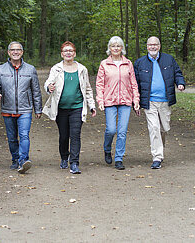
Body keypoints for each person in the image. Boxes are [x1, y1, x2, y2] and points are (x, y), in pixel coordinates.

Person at [42, 41, 96, 174]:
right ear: (62, 54)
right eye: (65, 51)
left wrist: (92, 106)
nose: (68, 53)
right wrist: (49, 87)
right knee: (64, 136)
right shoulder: (56, 69)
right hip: (60, 108)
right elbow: (48, 82)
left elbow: (87, 89)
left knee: (75, 135)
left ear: (74, 53)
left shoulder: (82, 69)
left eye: (70, 51)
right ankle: (64, 157)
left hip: (77, 107)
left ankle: (74, 163)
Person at [0, 41, 42, 174]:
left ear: (22, 52)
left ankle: (24, 161)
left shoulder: (30, 69)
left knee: (24, 135)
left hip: (25, 109)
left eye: (18, 50)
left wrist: (38, 109)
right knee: (12, 137)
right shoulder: (1, 69)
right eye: (13, 50)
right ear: (8, 52)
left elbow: (36, 90)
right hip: (7, 109)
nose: (15, 52)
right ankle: (15, 159)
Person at [134, 36, 185, 169]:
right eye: (150, 45)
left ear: (159, 46)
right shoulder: (140, 63)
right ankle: (157, 157)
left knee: (164, 129)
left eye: (155, 44)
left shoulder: (169, 59)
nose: (153, 47)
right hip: (149, 102)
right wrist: (136, 101)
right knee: (154, 128)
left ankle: (159, 148)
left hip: (165, 101)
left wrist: (180, 83)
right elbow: (135, 83)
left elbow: (178, 73)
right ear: (147, 46)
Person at [96, 36, 140, 170]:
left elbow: (133, 83)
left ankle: (119, 158)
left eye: (118, 46)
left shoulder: (128, 63)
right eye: (113, 46)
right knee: (111, 130)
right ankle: (107, 148)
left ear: (122, 48)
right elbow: (99, 84)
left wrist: (136, 100)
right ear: (109, 48)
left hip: (126, 101)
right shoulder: (104, 64)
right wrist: (100, 100)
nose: (115, 48)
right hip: (109, 100)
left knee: (122, 131)